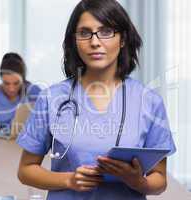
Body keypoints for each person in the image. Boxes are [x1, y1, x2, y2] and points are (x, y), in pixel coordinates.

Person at [16, 0, 176, 199]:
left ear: (123, 39)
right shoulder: (52, 98)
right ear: (74, 40)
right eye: (84, 33)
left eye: (106, 31)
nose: (95, 41)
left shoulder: (149, 101)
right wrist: (68, 180)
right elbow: (26, 170)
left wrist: (138, 181)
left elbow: (159, 180)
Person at [0, 52, 41, 136]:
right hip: (2, 143)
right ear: (1, 78)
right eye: (6, 83)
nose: (11, 89)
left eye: (16, 83)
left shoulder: (34, 91)